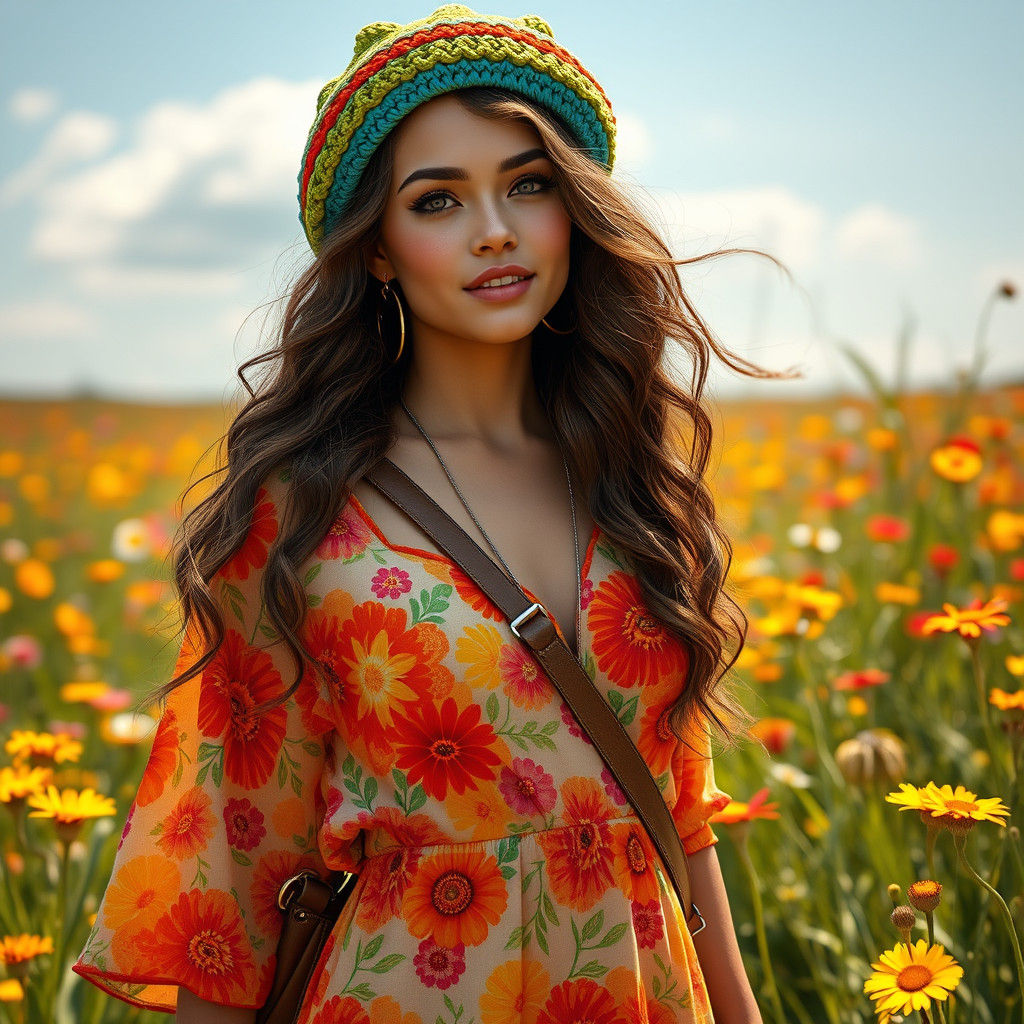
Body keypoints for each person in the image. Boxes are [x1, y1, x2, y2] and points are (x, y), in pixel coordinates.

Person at [73, 6, 795, 1022]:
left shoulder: (628, 476)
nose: (494, 228)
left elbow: (678, 814)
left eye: (527, 184)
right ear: (375, 247)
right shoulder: (299, 511)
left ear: (570, 210)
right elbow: (228, 878)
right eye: (438, 199)